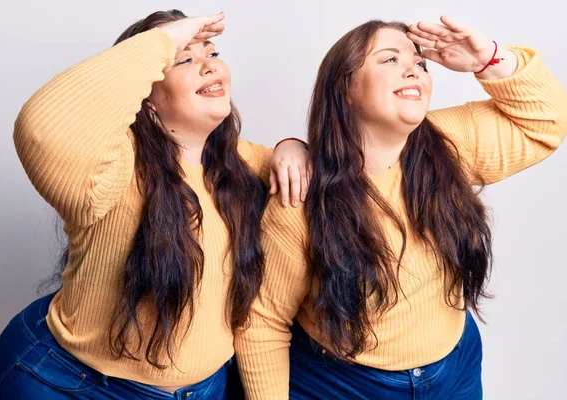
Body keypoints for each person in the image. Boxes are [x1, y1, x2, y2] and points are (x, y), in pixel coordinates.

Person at [0, 10, 308, 399]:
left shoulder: (237, 161)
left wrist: (294, 145)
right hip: (69, 384)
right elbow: (39, 126)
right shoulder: (113, 165)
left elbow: (315, 164)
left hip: (203, 390)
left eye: (211, 52)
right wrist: (164, 38)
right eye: (184, 59)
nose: (208, 65)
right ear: (145, 96)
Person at [236, 16, 567, 399]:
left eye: (419, 62)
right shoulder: (302, 196)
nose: (413, 69)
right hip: (343, 383)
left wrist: (488, 58)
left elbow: (546, 124)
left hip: (454, 370)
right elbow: (263, 322)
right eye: (390, 59)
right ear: (344, 88)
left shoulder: (450, 142)